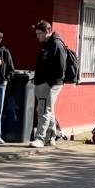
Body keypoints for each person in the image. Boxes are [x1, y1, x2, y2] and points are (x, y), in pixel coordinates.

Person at [31, 20, 66, 148]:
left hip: (50, 84)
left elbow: (61, 68)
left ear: (47, 31)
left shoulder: (56, 44)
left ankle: (40, 138)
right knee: (48, 110)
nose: (37, 36)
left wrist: (49, 84)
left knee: (43, 110)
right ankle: (50, 138)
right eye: (36, 34)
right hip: (42, 83)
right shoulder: (46, 44)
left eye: (39, 34)